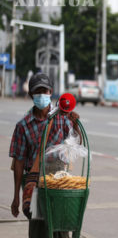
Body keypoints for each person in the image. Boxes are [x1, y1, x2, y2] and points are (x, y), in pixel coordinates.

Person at [9, 73, 79, 238]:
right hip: (35, 184)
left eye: (45, 90)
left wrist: (75, 125)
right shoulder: (23, 126)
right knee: (38, 229)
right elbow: (18, 162)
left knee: (61, 228)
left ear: (51, 92)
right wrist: (16, 197)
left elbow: (75, 143)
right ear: (31, 95)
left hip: (59, 181)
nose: (42, 94)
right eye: (37, 91)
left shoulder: (63, 117)